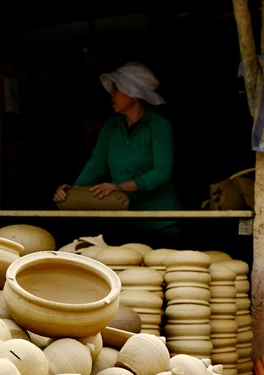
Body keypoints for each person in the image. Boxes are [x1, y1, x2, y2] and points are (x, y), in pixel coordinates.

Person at [53, 61, 181, 246]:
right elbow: (96, 165)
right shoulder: (111, 127)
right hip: (127, 220)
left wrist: (120, 186)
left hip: (162, 223)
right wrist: (73, 192)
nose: (112, 95)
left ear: (134, 94)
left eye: (117, 89)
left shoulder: (159, 125)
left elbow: (162, 172)